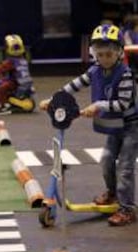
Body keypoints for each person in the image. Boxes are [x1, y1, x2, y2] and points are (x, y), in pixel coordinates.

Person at [40, 24, 138, 226]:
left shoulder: (125, 74)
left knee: (125, 168)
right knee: (106, 160)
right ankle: (113, 193)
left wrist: (97, 105)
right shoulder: (95, 71)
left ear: (119, 52)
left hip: (131, 127)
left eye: (108, 55)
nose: (104, 59)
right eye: (99, 54)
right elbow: (74, 85)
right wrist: (54, 99)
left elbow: (123, 103)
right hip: (115, 127)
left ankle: (128, 208)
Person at [0, 34, 34, 114]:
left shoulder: (10, 62)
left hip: (15, 82)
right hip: (23, 82)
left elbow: (0, 69)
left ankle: (4, 105)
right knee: (3, 82)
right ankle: (11, 102)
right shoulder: (22, 59)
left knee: (1, 88)